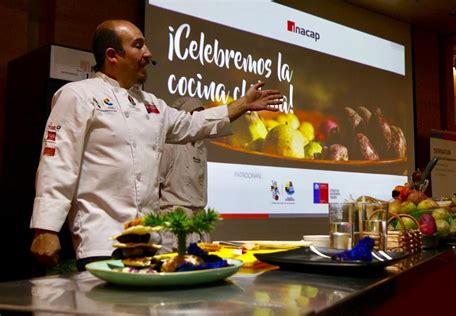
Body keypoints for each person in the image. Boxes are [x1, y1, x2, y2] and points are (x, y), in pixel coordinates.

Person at [29, 19, 282, 271]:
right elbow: (57, 163)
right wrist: (46, 228)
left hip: (150, 245)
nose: (148, 53)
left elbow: (193, 124)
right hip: (101, 242)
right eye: (138, 46)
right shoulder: (77, 95)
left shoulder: (152, 104)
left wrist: (242, 105)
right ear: (112, 55)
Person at [158, 97, 208, 253]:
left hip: (198, 220)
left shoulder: (202, 148)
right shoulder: (170, 144)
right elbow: (155, 184)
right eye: (195, 116)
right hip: (174, 221)